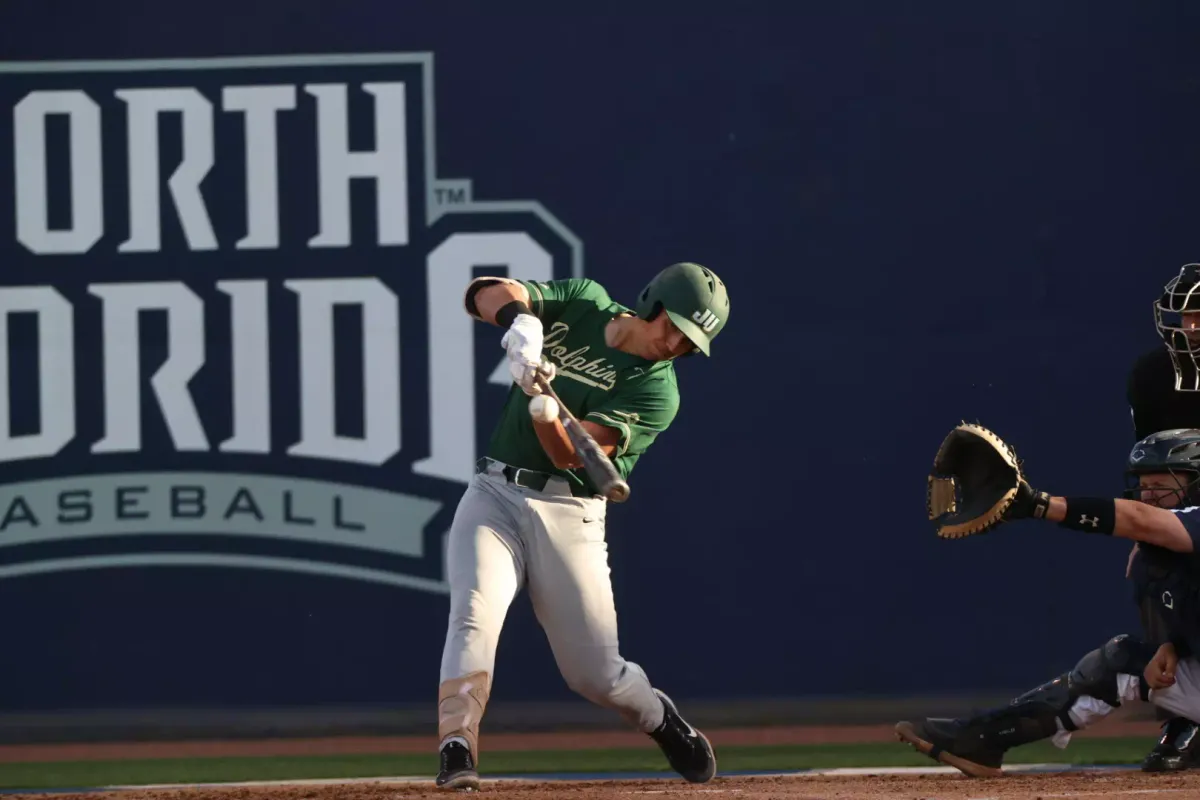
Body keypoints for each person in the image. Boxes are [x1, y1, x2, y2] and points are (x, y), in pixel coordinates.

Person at [434, 263, 730, 791]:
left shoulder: (659, 392)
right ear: (653, 304)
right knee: (474, 614)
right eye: (675, 327)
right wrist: (522, 322)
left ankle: (658, 716)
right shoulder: (584, 302)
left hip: (569, 514)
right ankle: (457, 745)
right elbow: (483, 291)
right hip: (495, 493)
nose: (677, 345)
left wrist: (545, 412)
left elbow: (572, 455)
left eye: (691, 341)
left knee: (595, 676)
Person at [895, 428, 1200, 778]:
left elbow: (1139, 519)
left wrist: (1039, 505)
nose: (1148, 495)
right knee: (1122, 661)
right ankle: (981, 739)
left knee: (1121, 662)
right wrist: (1175, 646)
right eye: (1144, 485)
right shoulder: (1154, 556)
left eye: (1161, 486)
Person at [1126, 262, 1200, 770]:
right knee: (1153, 571)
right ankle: (1184, 713)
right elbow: (1149, 460)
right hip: (1184, 498)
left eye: (1198, 318)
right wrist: (1143, 523)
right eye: (1183, 317)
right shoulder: (1151, 376)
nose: (1188, 329)